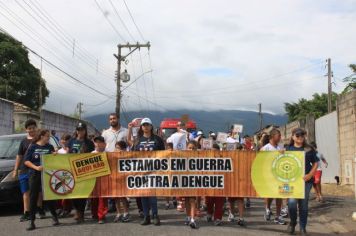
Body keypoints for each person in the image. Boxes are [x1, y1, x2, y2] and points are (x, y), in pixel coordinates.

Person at [24, 129, 59, 230]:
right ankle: (32, 221)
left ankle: (55, 217)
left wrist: (55, 155)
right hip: (34, 174)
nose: (49, 138)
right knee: (33, 197)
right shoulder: (33, 146)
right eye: (47, 136)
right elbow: (26, 161)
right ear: (41, 136)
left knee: (49, 196)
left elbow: (54, 160)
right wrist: (36, 167)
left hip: (47, 174)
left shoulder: (50, 147)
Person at [286, 128, 318, 235]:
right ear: (293, 136)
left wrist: (310, 175)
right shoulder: (288, 149)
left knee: (303, 205)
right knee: (291, 203)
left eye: (302, 135)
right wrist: (280, 153)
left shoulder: (309, 149)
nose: (300, 137)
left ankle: (303, 227)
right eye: (297, 135)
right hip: (292, 182)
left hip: (306, 182)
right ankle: (293, 222)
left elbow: (316, 163)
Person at [133, 118, 165, 226]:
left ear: (151, 126)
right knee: (143, 195)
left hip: (154, 171)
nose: (145, 127)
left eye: (147, 125)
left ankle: (155, 215)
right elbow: (133, 156)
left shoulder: (158, 139)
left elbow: (163, 155)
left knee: (152, 195)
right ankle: (146, 216)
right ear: (141, 127)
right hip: (141, 171)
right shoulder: (138, 140)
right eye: (143, 125)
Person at [68, 122, 95, 223]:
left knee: (83, 193)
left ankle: (81, 213)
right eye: (78, 130)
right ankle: (77, 210)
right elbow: (65, 153)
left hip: (85, 171)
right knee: (73, 192)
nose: (80, 132)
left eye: (82, 130)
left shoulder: (89, 143)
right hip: (72, 170)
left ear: (85, 131)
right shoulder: (71, 141)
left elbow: (93, 156)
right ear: (76, 130)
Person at [13, 119, 38, 222]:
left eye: (33, 128)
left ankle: (38, 210)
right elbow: (19, 156)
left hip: (36, 169)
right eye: (29, 128)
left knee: (37, 191)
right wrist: (15, 169)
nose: (31, 130)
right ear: (26, 129)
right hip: (24, 170)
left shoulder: (39, 140)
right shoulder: (23, 141)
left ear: (36, 128)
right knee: (25, 192)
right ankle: (26, 212)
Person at [102, 113, 128, 212]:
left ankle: (125, 209)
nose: (112, 120)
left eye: (114, 118)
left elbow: (130, 145)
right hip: (110, 162)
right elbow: (102, 146)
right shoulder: (105, 133)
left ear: (118, 119)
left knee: (122, 186)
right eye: (110, 119)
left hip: (123, 163)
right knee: (112, 185)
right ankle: (113, 205)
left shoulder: (125, 131)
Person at [260, 129, 285, 225]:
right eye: (278, 136)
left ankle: (278, 216)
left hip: (279, 175)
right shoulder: (265, 148)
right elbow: (261, 161)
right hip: (268, 175)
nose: (280, 138)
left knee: (279, 195)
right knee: (269, 195)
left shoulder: (280, 147)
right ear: (272, 136)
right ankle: (267, 208)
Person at [90, 136, 109, 224]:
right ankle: (94, 214)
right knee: (93, 198)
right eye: (96, 142)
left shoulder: (108, 153)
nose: (98, 144)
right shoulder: (91, 154)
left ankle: (101, 216)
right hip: (93, 179)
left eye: (100, 142)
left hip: (105, 178)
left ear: (104, 144)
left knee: (102, 198)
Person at [206, 143, 225, 226]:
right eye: (212, 151)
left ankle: (217, 218)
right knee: (209, 201)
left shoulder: (223, 158)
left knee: (219, 202)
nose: (213, 153)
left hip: (220, 184)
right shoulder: (206, 158)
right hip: (209, 183)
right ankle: (209, 213)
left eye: (215, 151)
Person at [113, 141, 130, 223]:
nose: (117, 150)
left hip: (123, 179)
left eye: (119, 148)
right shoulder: (112, 156)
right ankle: (119, 213)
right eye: (116, 148)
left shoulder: (127, 156)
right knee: (116, 197)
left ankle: (126, 213)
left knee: (123, 197)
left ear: (124, 149)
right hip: (115, 179)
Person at [184, 140, 199, 229]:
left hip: (194, 181)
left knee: (192, 200)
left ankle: (193, 219)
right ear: (186, 148)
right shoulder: (182, 155)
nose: (191, 150)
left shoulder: (199, 156)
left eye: (193, 148)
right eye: (189, 148)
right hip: (185, 181)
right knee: (186, 200)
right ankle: (188, 216)